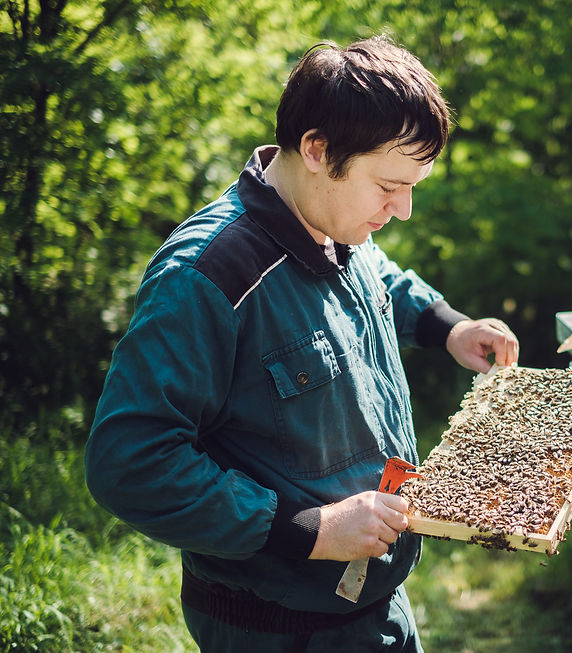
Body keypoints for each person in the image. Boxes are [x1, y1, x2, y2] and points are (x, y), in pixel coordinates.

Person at [85, 35, 519, 652]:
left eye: (413, 186)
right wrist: (307, 529)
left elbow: (381, 279)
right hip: (276, 629)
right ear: (317, 149)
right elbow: (128, 463)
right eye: (389, 186)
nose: (404, 210)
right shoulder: (204, 278)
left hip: (378, 606)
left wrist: (446, 325)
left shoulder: (336, 223)